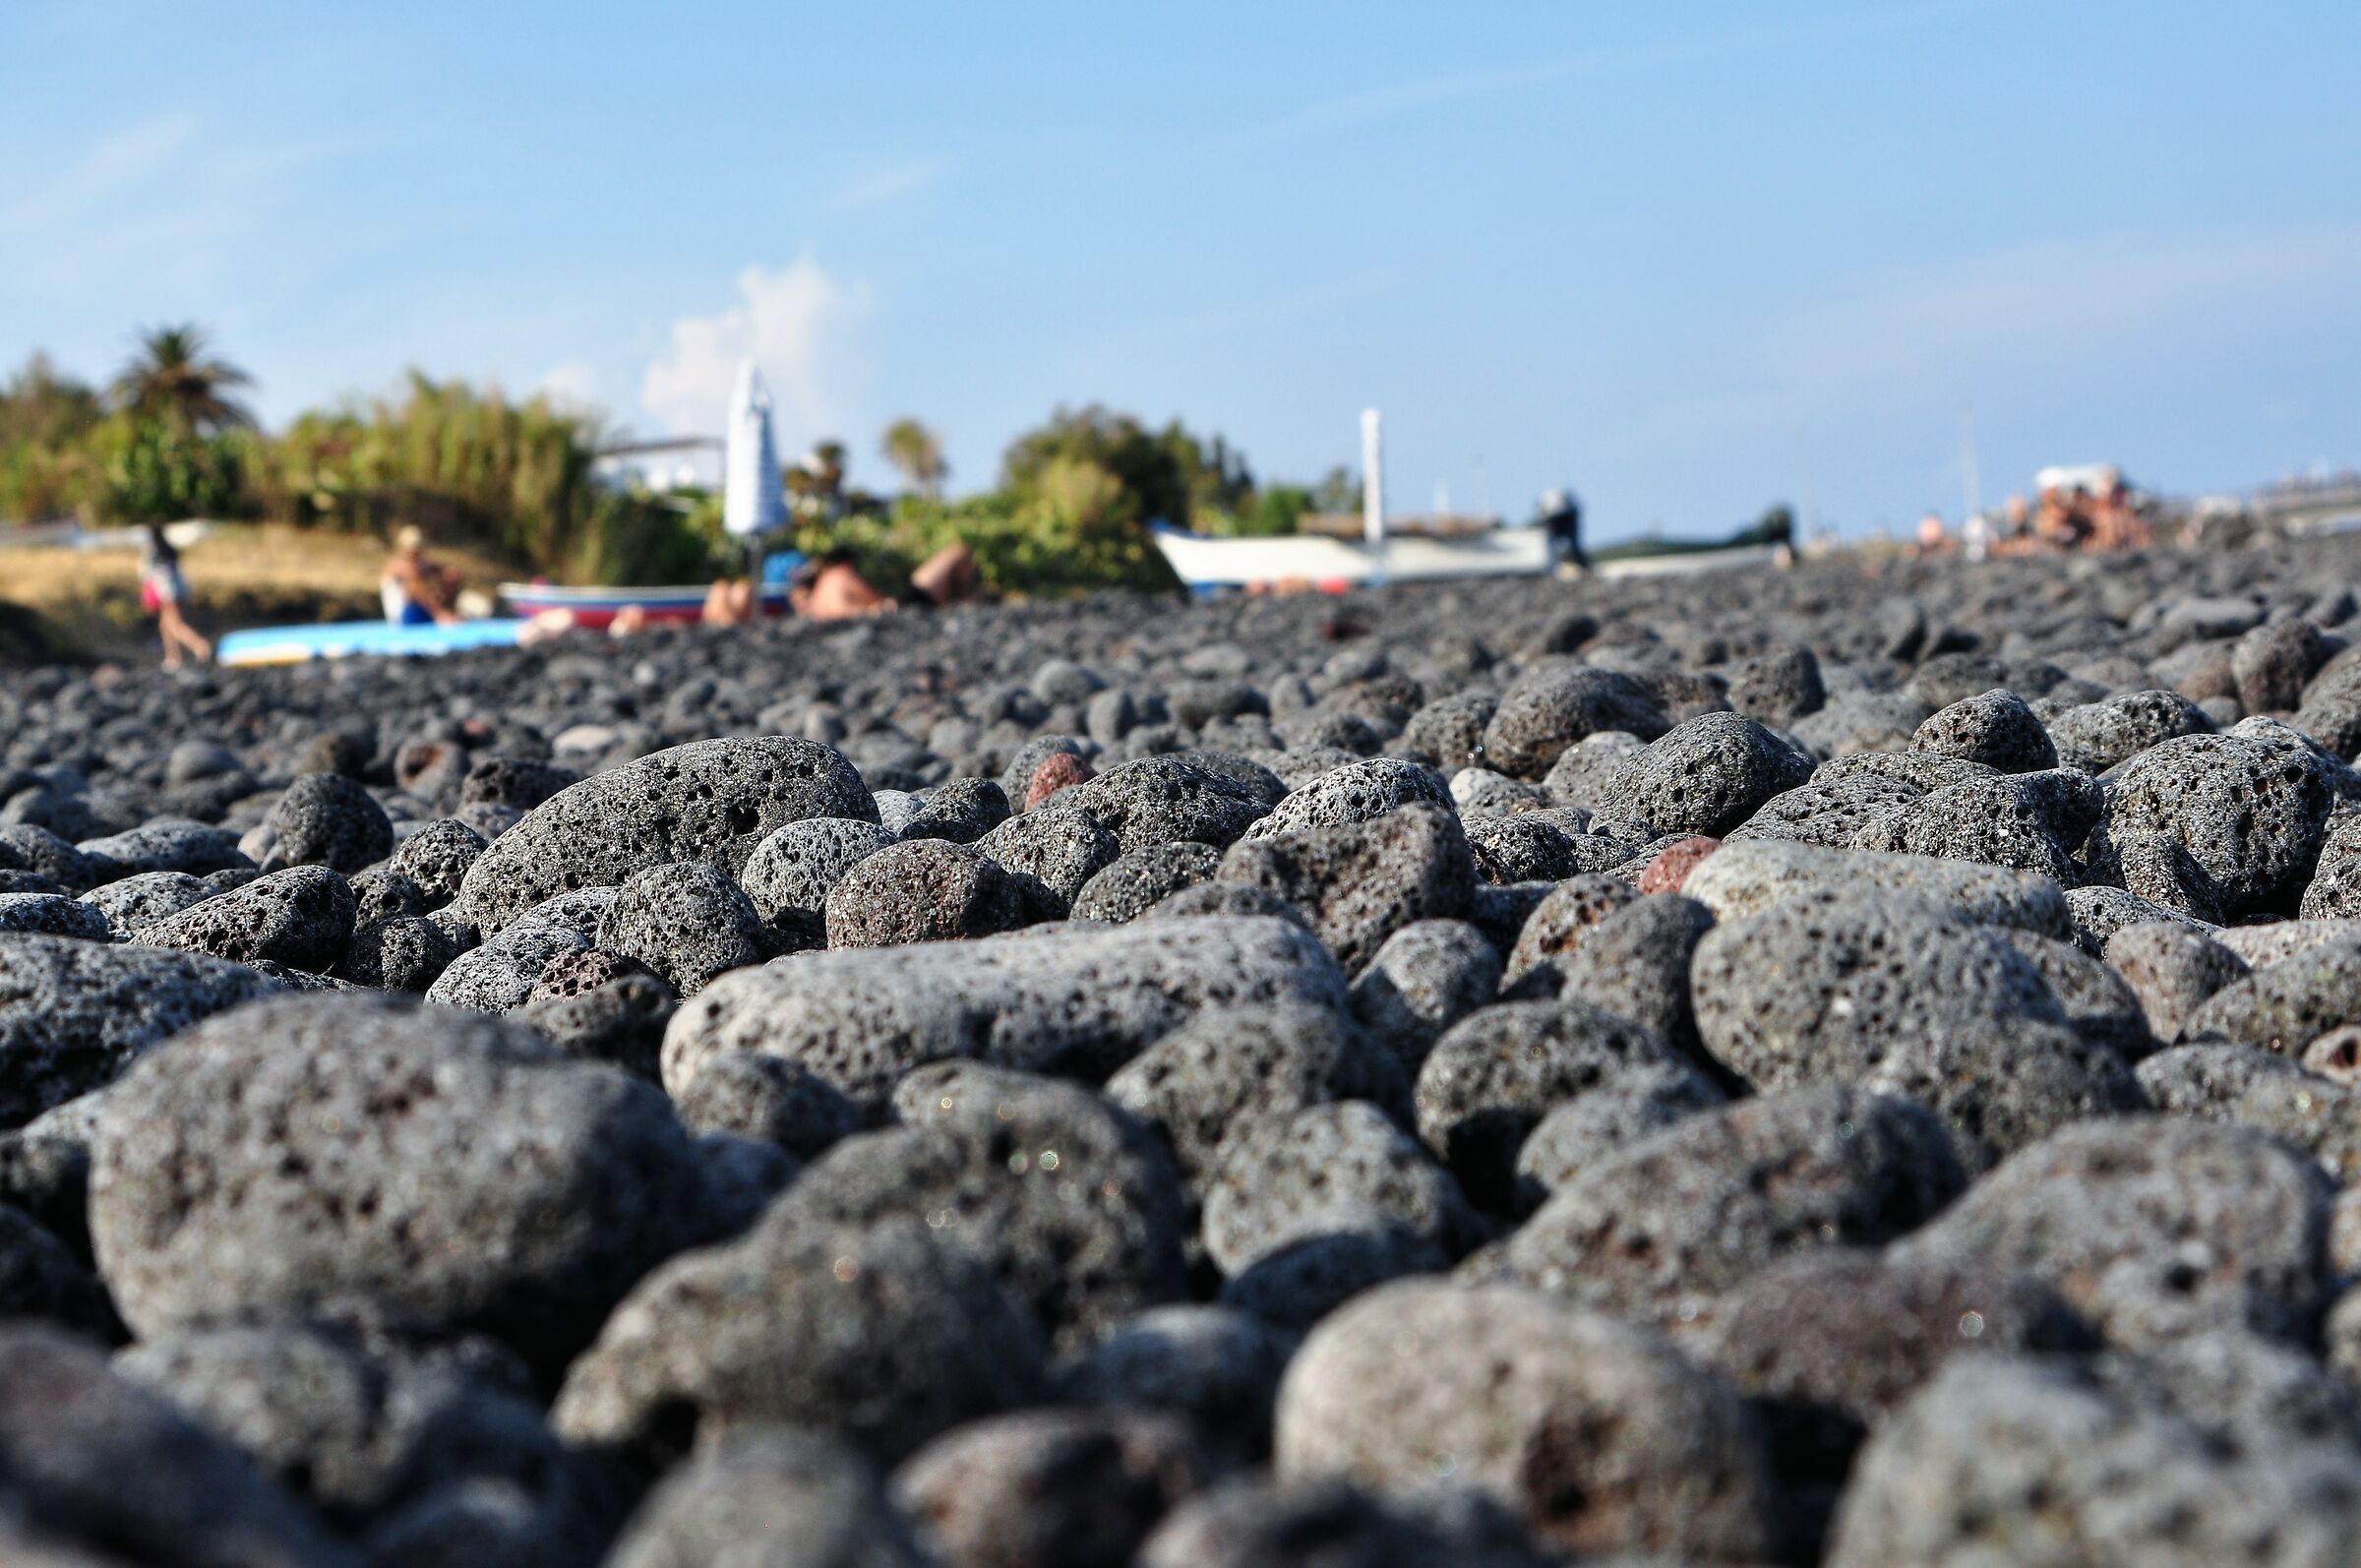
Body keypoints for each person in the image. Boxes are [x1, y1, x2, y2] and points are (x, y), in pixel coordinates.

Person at [139, 524, 212, 670]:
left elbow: (154, 575)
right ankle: (173, 658)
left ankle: (200, 646)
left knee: (174, 625)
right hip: (174, 590)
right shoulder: (168, 549)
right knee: (165, 625)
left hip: (167, 592)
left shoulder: (155, 552)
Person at [382, 526, 460, 626]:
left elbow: (444, 570)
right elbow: (415, 586)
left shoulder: (420, 564)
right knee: (414, 583)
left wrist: (450, 575)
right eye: (412, 547)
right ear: (403, 547)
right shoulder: (397, 565)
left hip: (422, 610)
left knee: (451, 577)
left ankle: (450, 612)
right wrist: (437, 613)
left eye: (418, 546)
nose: (416, 550)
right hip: (402, 616)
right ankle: (440, 615)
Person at [1537, 489, 1588, 572]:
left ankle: (1584, 567)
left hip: (1564, 514)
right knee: (1553, 547)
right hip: (1559, 514)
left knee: (1573, 546)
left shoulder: (1562, 504)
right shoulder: (1550, 504)